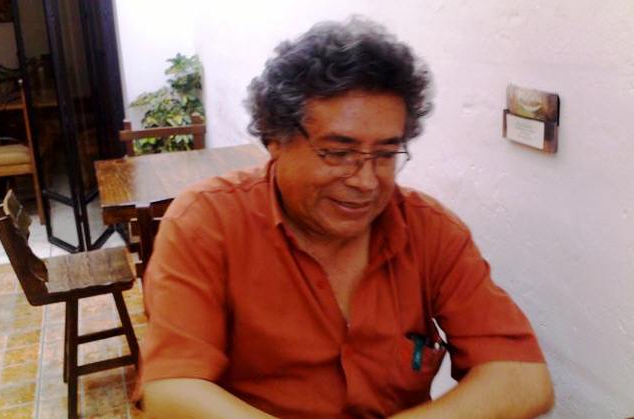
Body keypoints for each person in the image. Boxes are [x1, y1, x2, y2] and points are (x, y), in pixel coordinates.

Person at [139, 17, 554, 418]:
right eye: (338, 153)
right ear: (275, 139)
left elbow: (523, 378)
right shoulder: (207, 223)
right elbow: (172, 391)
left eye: (386, 154)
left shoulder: (430, 231)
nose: (366, 181)